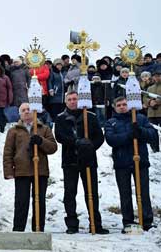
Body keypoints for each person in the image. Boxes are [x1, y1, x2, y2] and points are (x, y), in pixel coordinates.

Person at [54, 91, 109, 234]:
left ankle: (96, 223)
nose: (73, 102)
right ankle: (72, 224)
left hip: (88, 160)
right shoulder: (60, 118)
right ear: (66, 102)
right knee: (70, 193)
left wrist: (90, 146)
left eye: (75, 99)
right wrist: (77, 143)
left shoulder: (90, 117)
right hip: (70, 160)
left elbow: (99, 137)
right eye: (70, 99)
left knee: (92, 192)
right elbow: (59, 136)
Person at [104, 96, 157, 232]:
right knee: (125, 193)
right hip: (122, 162)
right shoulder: (111, 122)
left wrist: (140, 131)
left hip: (140, 161)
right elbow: (111, 139)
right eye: (119, 105)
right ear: (115, 107)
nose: (122, 107)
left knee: (144, 192)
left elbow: (153, 135)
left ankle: (146, 220)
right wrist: (129, 135)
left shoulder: (140, 119)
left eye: (124, 104)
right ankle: (128, 221)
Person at [3, 102, 57, 232]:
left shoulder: (43, 129)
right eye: (23, 110)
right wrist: (8, 170)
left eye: (29, 109)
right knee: (21, 201)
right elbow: (8, 152)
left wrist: (41, 141)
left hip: (40, 170)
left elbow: (53, 147)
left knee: (39, 201)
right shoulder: (13, 131)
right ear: (20, 114)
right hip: (22, 171)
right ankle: (18, 229)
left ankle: (38, 228)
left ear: (34, 112)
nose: (26, 112)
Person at [144, 67, 161, 153]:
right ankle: (154, 149)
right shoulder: (150, 88)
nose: (157, 77)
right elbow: (145, 98)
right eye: (155, 76)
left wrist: (156, 101)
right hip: (152, 113)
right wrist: (150, 102)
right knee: (152, 132)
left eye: (159, 75)